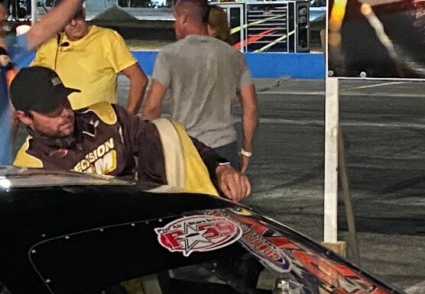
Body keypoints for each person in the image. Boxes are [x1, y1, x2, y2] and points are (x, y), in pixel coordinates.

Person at [10, 65, 250, 202]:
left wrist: (221, 167)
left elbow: (171, 140)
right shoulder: (30, 168)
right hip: (94, 244)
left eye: (65, 100)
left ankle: (205, 211)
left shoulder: (105, 116)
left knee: (165, 128)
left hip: (146, 217)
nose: (65, 112)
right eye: (52, 108)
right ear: (24, 117)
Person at [0, 0, 106, 166]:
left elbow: (45, 27)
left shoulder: (8, 51)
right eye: (0, 23)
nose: (5, 29)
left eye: (5, 22)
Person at [142, 0, 258, 173]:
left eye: (175, 18)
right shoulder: (234, 55)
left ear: (183, 19)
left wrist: (150, 148)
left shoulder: (169, 55)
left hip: (185, 147)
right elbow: (250, 107)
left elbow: (151, 108)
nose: (174, 24)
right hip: (225, 148)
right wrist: (246, 150)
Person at [30, 0, 148, 114]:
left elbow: (139, 79)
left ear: (84, 13)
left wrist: (127, 121)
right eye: (67, 19)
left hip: (100, 126)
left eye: (77, 16)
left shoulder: (107, 38)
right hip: (62, 124)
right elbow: (31, 82)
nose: (73, 23)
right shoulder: (50, 45)